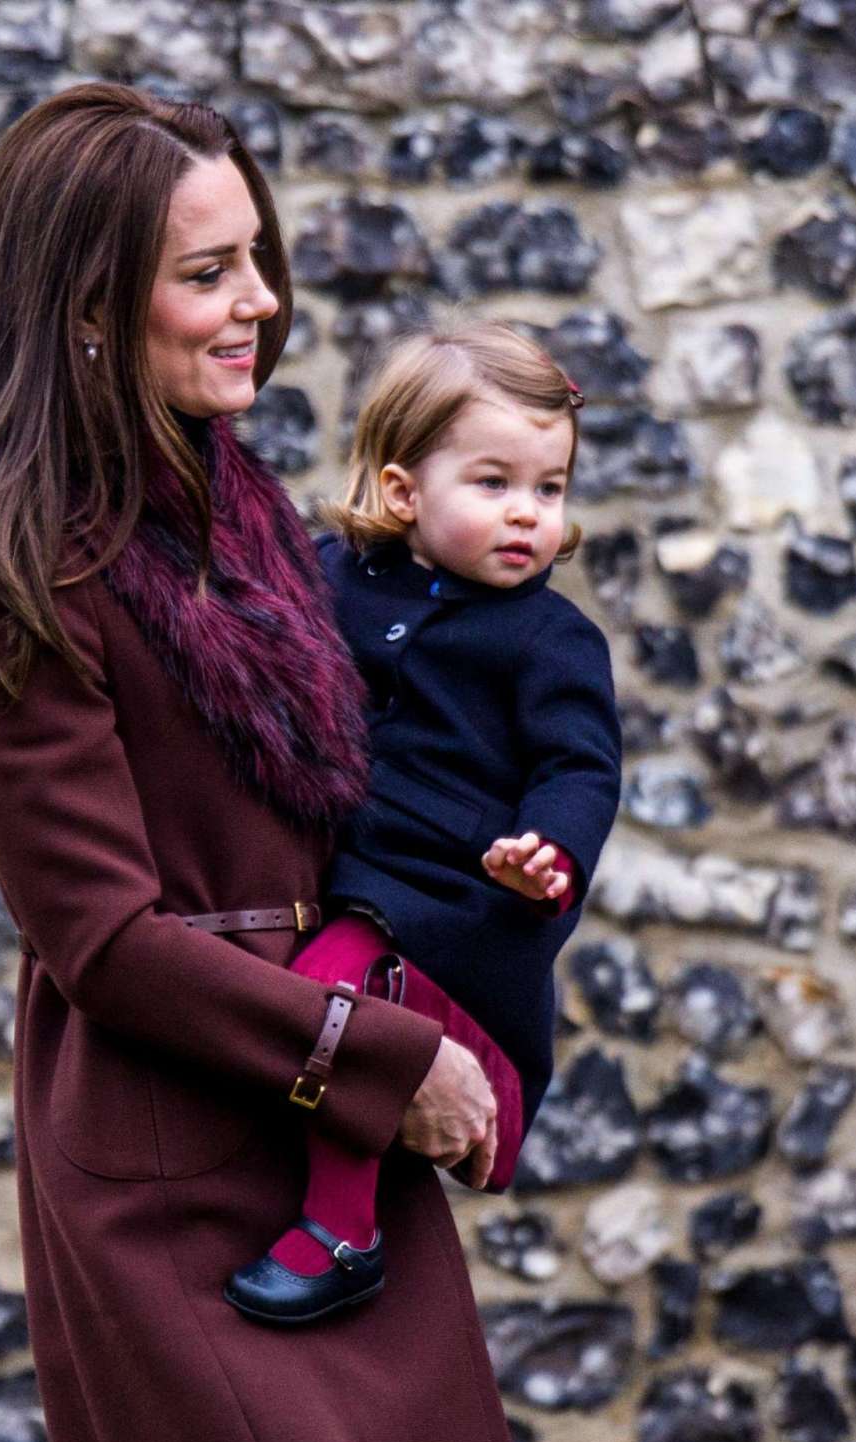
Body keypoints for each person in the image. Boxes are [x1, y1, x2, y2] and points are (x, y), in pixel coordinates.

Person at [0, 82, 528, 1442]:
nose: (263, 302)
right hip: (177, 1173)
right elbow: (100, 938)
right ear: (90, 304)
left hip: (336, 1142)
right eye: (210, 272)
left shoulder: (254, 509)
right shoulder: (17, 573)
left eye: (258, 259)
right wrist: (387, 1059)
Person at [225, 324, 622, 1325]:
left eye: (550, 487)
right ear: (404, 492)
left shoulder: (551, 636)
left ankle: (341, 1229)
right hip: (354, 867)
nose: (528, 514)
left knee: (326, 999)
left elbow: (581, 763)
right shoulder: (330, 575)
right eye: (493, 483)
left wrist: (553, 852)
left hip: (451, 895)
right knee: (293, 988)